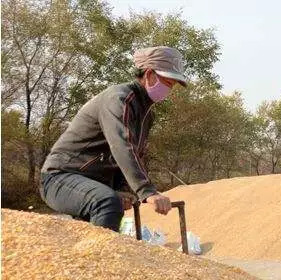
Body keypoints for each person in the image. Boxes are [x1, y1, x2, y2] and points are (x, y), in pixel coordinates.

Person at [40, 46, 188, 231]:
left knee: (106, 206)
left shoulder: (146, 114)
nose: (168, 89)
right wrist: (147, 191)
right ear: (149, 74)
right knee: (106, 203)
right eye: (167, 82)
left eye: (172, 85)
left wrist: (122, 189)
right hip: (60, 177)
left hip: (94, 184)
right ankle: (101, 259)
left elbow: (133, 154)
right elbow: (122, 146)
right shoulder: (119, 99)